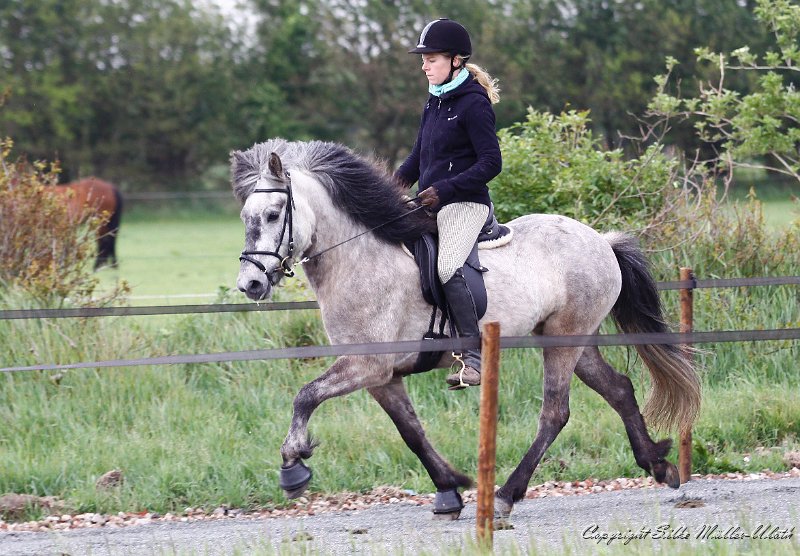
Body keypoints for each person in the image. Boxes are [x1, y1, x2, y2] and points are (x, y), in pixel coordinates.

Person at [394, 18, 502, 388]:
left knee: (446, 269)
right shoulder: (435, 101)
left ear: (456, 60)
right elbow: (417, 159)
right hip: (432, 203)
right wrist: (388, 188)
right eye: (423, 59)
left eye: (432, 58)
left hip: (465, 204)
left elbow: (491, 163)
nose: (424, 65)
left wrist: (445, 190)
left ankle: (474, 356)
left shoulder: (474, 104)